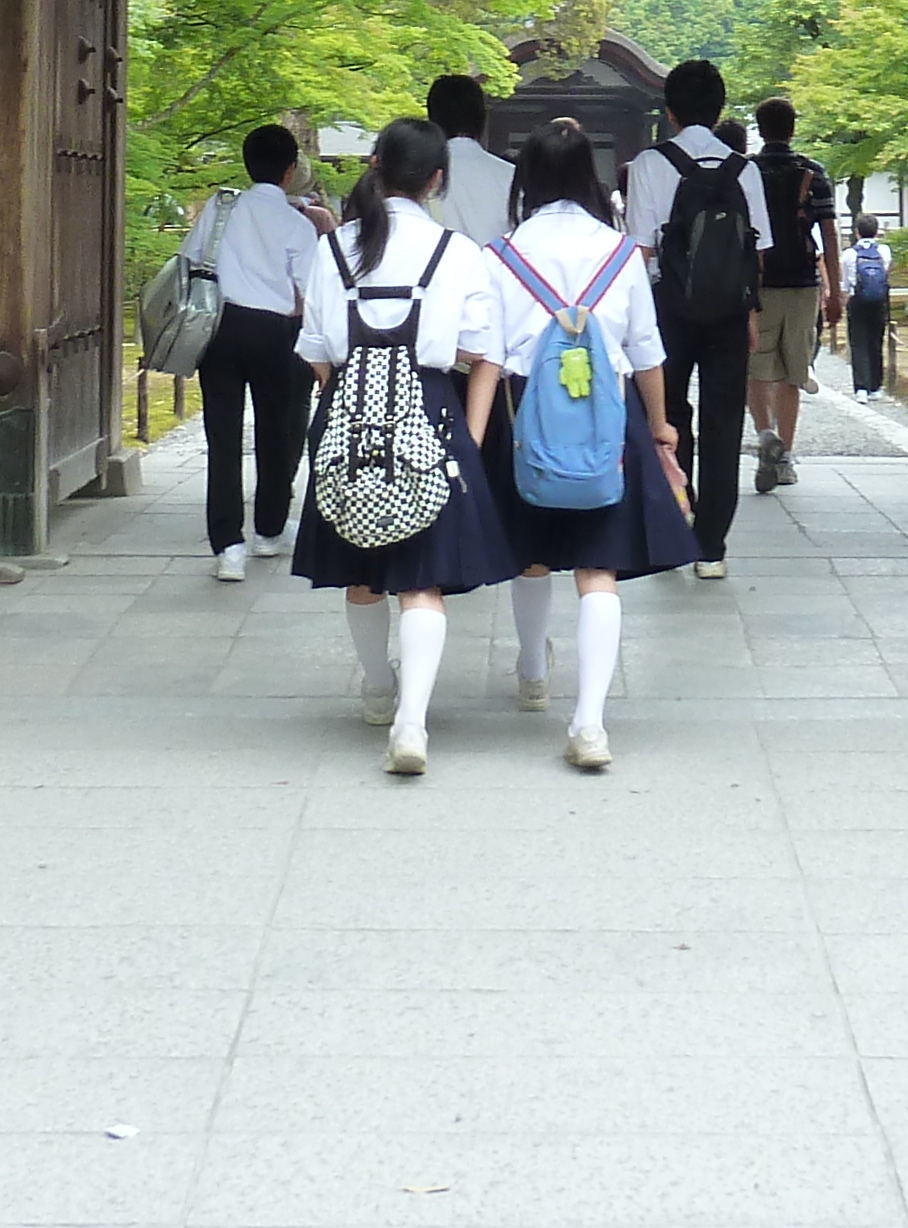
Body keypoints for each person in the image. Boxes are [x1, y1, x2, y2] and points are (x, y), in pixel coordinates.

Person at [466, 118, 697, 770]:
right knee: (599, 570)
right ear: (589, 179)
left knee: (531, 557)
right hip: (607, 419)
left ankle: (534, 669)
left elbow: (483, 352)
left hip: (521, 416)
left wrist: (473, 441)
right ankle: (589, 724)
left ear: (527, 181)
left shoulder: (499, 255)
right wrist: (661, 426)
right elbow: (647, 353)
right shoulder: (621, 254)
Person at [290, 116, 516, 774]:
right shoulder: (458, 253)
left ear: (375, 165)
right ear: (437, 180)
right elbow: (486, 357)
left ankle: (379, 689)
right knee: (423, 583)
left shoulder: (334, 250)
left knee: (362, 574)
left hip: (349, 414)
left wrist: (352, 396)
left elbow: (316, 353)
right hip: (433, 416)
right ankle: (412, 726)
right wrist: (468, 445)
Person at [620, 57, 765, 580]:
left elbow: (639, 253)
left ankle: (678, 524)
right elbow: (757, 252)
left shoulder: (649, 165)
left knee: (670, 418)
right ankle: (713, 547)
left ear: (670, 111)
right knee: (725, 422)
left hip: (669, 309)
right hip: (728, 313)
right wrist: (750, 312)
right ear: (720, 108)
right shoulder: (743, 169)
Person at [200, 124, 326, 582]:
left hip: (220, 327)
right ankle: (269, 530)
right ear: (291, 170)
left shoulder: (219, 208)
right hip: (278, 332)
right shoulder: (298, 224)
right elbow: (311, 292)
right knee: (280, 432)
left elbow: (193, 260)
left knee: (223, 436)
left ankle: (227, 547)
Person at [743, 97, 842, 490]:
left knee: (756, 368)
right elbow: (829, 233)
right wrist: (835, 289)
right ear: (792, 128)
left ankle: (765, 433)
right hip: (802, 283)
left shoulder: (746, 171)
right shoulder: (813, 172)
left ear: (760, 128)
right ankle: (785, 457)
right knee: (792, 372)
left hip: (758, 283)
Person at [429, 71, 515, 244]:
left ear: (432, 119)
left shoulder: (419, 178)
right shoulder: (513, 176)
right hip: (497, 268)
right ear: (481, 118)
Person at [844, 215, 893, 401]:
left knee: (858, 342)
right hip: (879, 300)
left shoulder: (849, 253)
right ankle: (876, 386)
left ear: (857, 232)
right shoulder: (884, 251)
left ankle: (861, 388)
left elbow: (846, 283)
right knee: (876, 341)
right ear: (876, 231)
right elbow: (885, 273)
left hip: (857, 300)